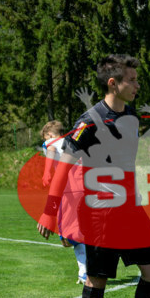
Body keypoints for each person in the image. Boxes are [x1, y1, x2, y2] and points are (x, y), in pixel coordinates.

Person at [38, 54, 150, 298]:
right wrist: (50, 211)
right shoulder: (89, 121)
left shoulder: (130, 114)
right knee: (97, 278)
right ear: (113, 83)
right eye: (132, 80)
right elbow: (64, 166)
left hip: (131, 208)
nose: (137, 85)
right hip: (100, 211)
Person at [41, 119, 87, 285]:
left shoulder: (51, 142)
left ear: (49, 134)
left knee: (69, 236)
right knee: (85, 231)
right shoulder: (73, 141)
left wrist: (47, 171)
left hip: (69, 191)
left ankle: (84, 271)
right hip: (86, 187)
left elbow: (51, 150)